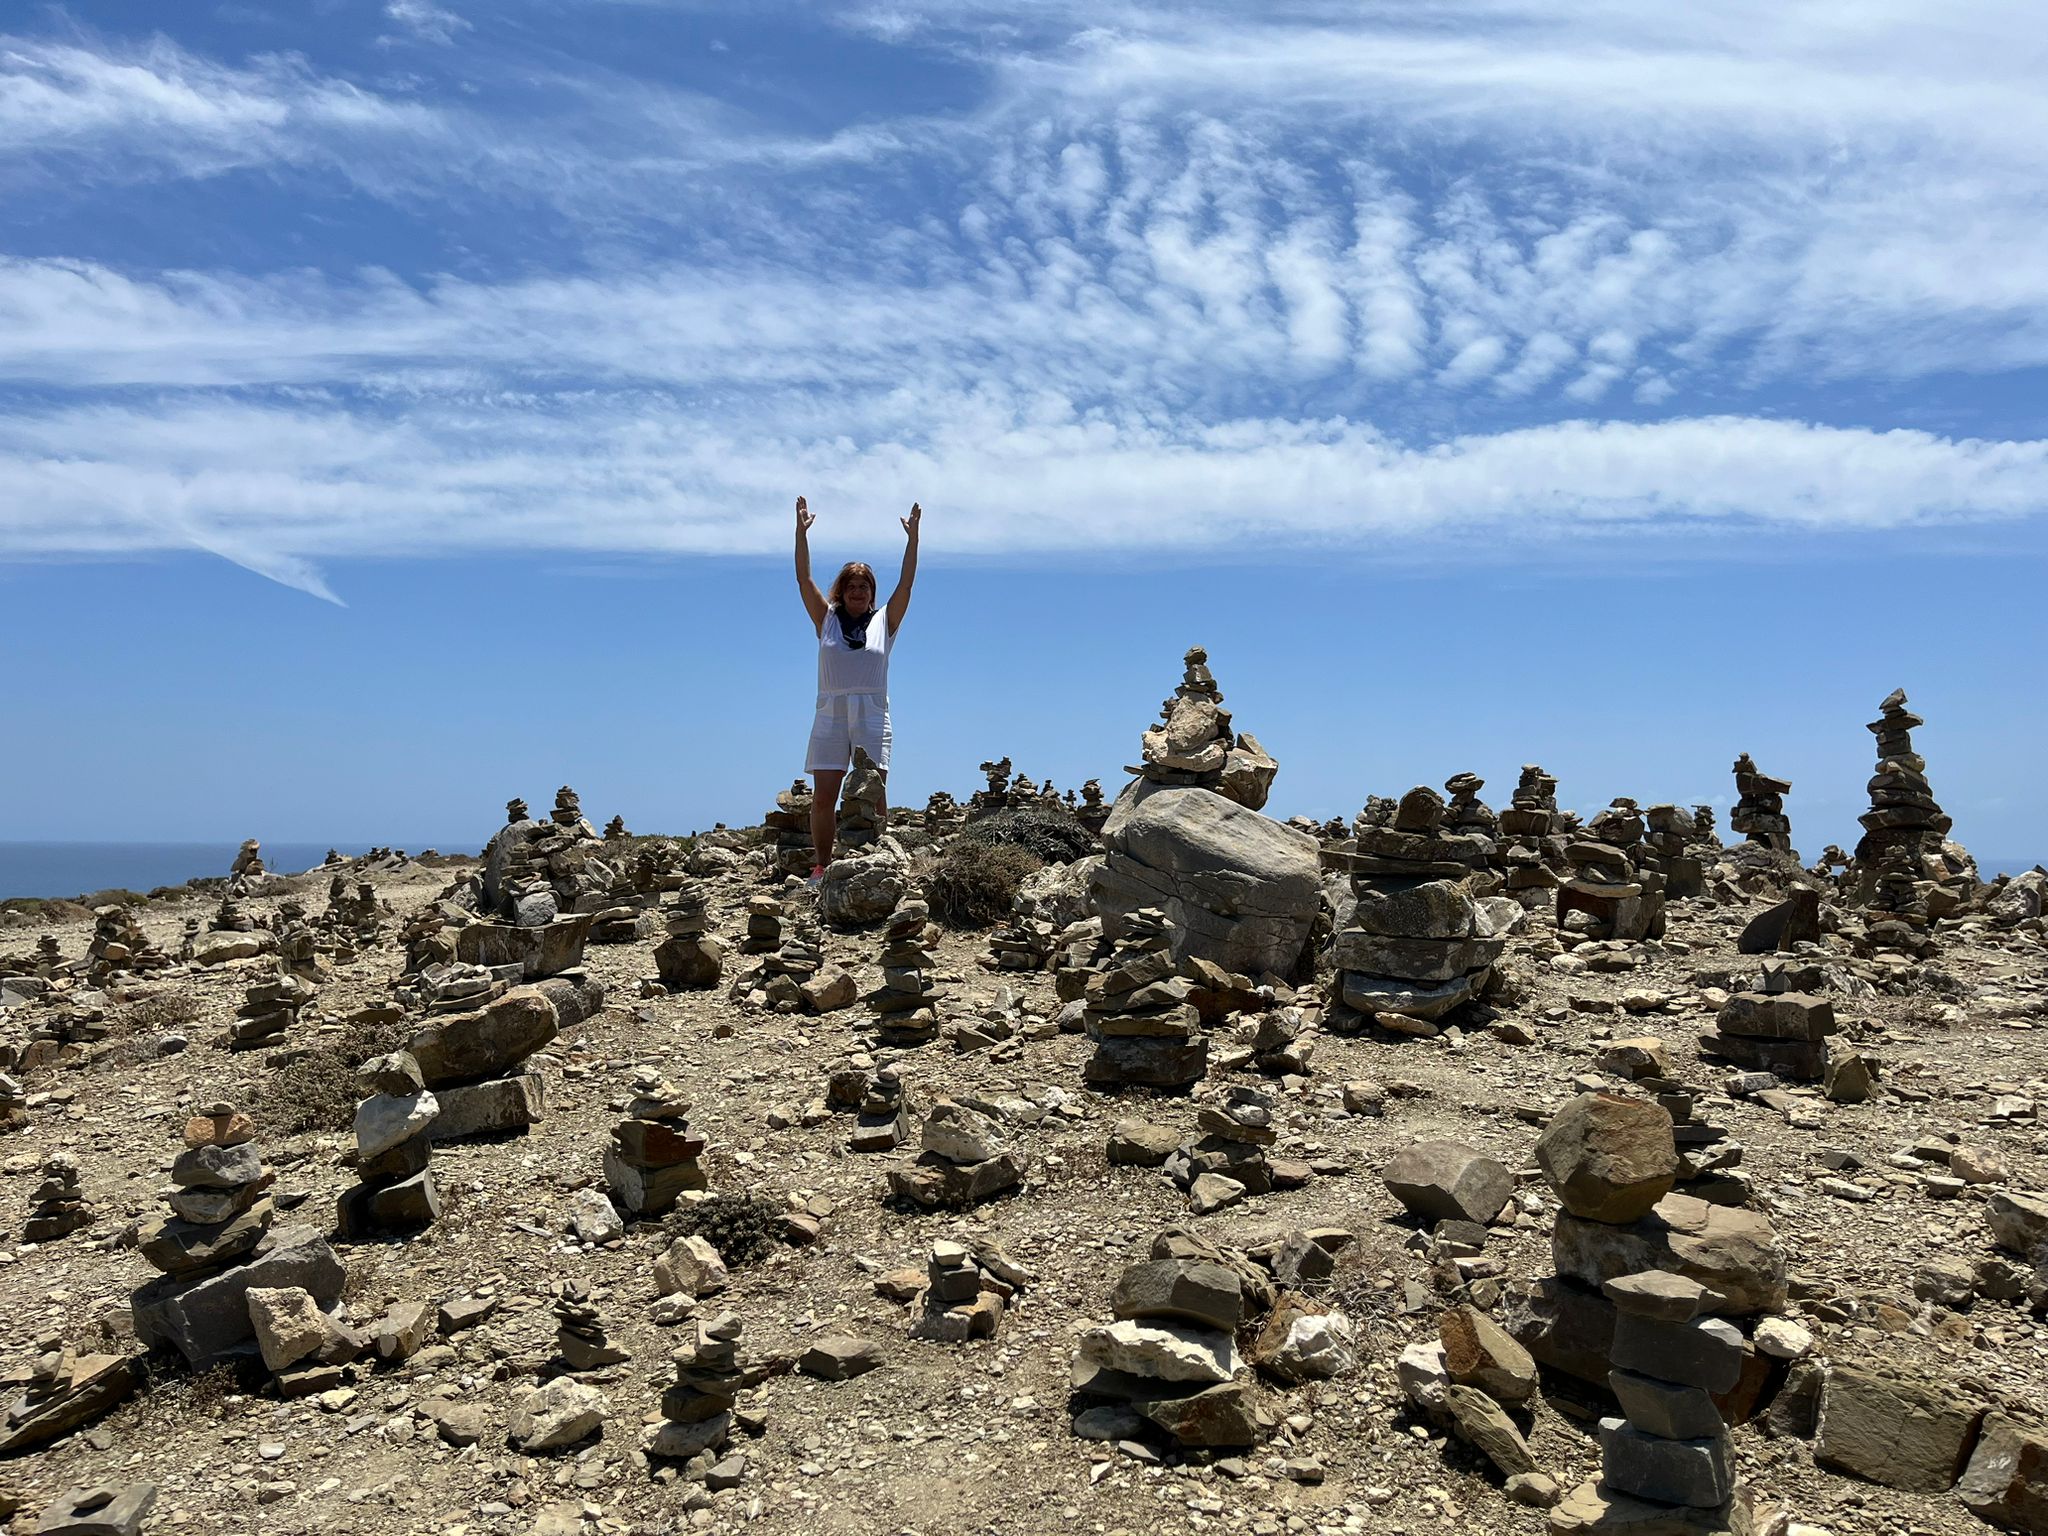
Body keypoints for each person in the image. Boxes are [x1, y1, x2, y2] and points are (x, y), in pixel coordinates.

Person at [794, 494, 920, 879]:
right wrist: (801, 534)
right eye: (851, 585)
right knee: (824, 797)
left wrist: (912, 540)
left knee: (873, 795)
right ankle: (822, 866)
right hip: (830, 712)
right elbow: (804, 580)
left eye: (864, 585)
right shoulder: (826, 619)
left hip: (872, 713)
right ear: (842, 589)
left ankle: (879, 864)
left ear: (871, 592)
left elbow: (907, 584)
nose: (858, 591)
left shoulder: (885, 622)